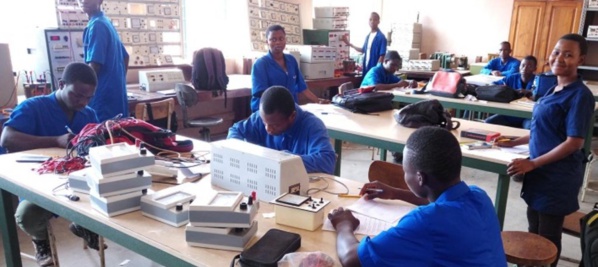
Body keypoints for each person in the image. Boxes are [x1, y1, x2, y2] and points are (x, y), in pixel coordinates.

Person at [328, 127, 506, 267]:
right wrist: (395, 193)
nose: (405, 176)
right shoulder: (478, 195)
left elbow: (351, 259)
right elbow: (444, 203)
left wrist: (344, 224)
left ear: (420, 178)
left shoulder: (425, 221)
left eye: (406, 171)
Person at [497, 33, 595, 267]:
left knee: (548, 238)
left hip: (556, 178)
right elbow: (543, 129)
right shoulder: (553, 88)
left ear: (580, 59)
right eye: (556, 52)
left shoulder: (580, 96)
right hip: (540, 174)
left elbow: (574, 142)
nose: (559, 58)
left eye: (568, 55)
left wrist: (532, 163)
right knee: (534, 230)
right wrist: (514, 142)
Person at [0, 63, 106, 267]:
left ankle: (84, 225)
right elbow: (7, 138)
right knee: (27, 215)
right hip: (41, 182)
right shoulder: (33, 107)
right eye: (77, 95)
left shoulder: (88, 114)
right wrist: (54, 141)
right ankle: (41, 242)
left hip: (76, 181)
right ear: (61, 84)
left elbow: (95, 145)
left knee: (108, 195)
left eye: (89, 97)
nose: (83, 102)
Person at [229, 86, 336, 174]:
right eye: (264, 122)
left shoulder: (312, 126)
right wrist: (240, 151)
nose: (268, 129)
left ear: (292, 116)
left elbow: (327, 161)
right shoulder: (262, 118)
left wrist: (287, 160)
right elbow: (235, 130)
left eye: (275, 125)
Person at [251, 24, 328, 112]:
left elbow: (302, 87)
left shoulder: (291, 60)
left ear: (285, 40)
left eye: (281, 39)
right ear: (267, 42)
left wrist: (317, 100)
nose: (277, 42)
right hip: (268, 112)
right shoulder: (260, 64)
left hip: (290, 110)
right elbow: (263, 94)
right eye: (273, 39)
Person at [79, 0, 129, 121]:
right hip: (116, 96)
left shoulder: (97, 25)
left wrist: (78, 92)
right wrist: (118, 83)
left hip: (102, 98)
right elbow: (125, 57)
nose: (83, 0)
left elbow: (94, 66)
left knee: (100, 137)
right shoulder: (106, 22)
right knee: (117, 135)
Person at [484, 55, 537, 129]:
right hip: (510, 114)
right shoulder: (512, 77)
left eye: (529, 66)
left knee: (530, 128)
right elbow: (493, 84)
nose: (525, 68)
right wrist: (502, 88)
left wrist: (529, 92)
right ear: (519, 67)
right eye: (523, 65)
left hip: (528, 116)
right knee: (488, 122)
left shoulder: (538, 81)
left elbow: (543, 95)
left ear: (535, 68)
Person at [342, 12, 387, 77]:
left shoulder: (381, 37)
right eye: (370, 19)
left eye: (375, 20)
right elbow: (363, 50)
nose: (372, 22)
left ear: (378, 22)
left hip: (374, 70)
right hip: (366, 69)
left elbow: (382, 56)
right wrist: (349, 44)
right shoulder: (368, 36)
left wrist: (376, 70)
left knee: (373, 86)